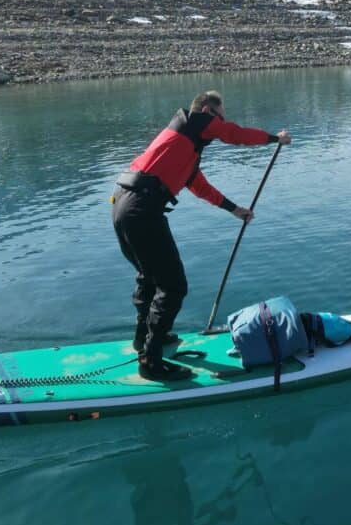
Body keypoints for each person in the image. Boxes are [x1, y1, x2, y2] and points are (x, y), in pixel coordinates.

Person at [112, 90, 292, 381]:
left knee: (150, 277)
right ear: (208, 110)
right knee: (173, 287)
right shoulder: (194, 120)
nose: (221, 124)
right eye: (220, 117)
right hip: (141, 210)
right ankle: (151, 362)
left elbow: (199, 186)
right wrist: (275, 138)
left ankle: (142, 340)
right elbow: (235, 134)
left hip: (123, 204)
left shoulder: (185, 144)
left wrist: (235, 210)